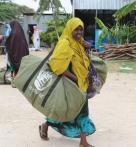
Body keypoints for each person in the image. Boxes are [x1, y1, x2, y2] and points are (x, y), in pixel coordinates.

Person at [39, 17, 95, 147]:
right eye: (76, 30)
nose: (79, 33)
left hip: (82, 84)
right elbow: (57, 66)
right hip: (69, 83)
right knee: (64, 111)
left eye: (81, 30)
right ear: (70, 29)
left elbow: (84, 62)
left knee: (83, 111)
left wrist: (87, 48)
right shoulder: (65, 43)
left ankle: (83, 142)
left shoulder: (79, 42)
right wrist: (75, 79)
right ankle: (45, 125)